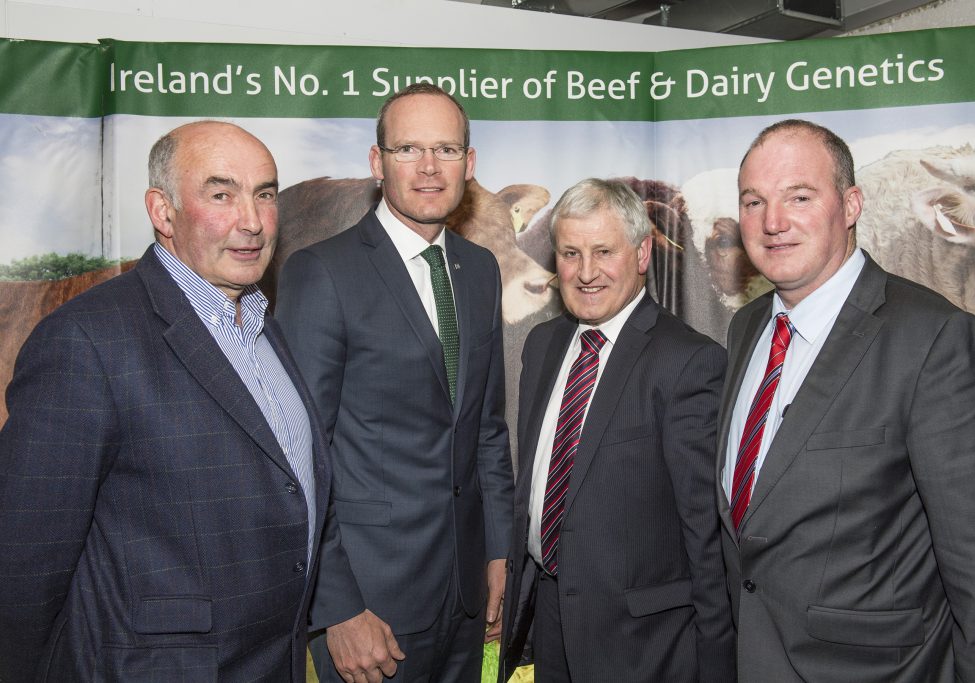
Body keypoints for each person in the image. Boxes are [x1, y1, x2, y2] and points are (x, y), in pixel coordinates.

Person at [0, 120, 329, 681]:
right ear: (162, 211)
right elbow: (23, 566)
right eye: (221, 194)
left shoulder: (263, 325)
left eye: (265, 194)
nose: (252, 221)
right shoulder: (86, 340)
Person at [718, 118, 975, 682]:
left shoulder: (934, 341)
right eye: (754, 201)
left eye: (799, 197)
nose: (773, 222)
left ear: (852, 204)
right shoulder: (747, 330)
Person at [275, 83, 514, 683]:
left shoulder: (480, 269)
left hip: (464, 597)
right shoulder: (321, 272)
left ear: (470, 163)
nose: (429, 168)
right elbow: (298, 455)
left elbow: (485, 428)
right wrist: (335, 608)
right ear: (377, 163)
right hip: (369, 609)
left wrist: (497, 550)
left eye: (446, 150)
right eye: (409, 149)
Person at [499, 178, 736, 682]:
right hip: (552, 622)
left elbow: (706, 536)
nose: (586, 273)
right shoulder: (542, 346)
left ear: (643, 252)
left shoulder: (688, 362)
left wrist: (718, 666)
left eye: (604, 251)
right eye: (570, 253)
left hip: (645, 647)